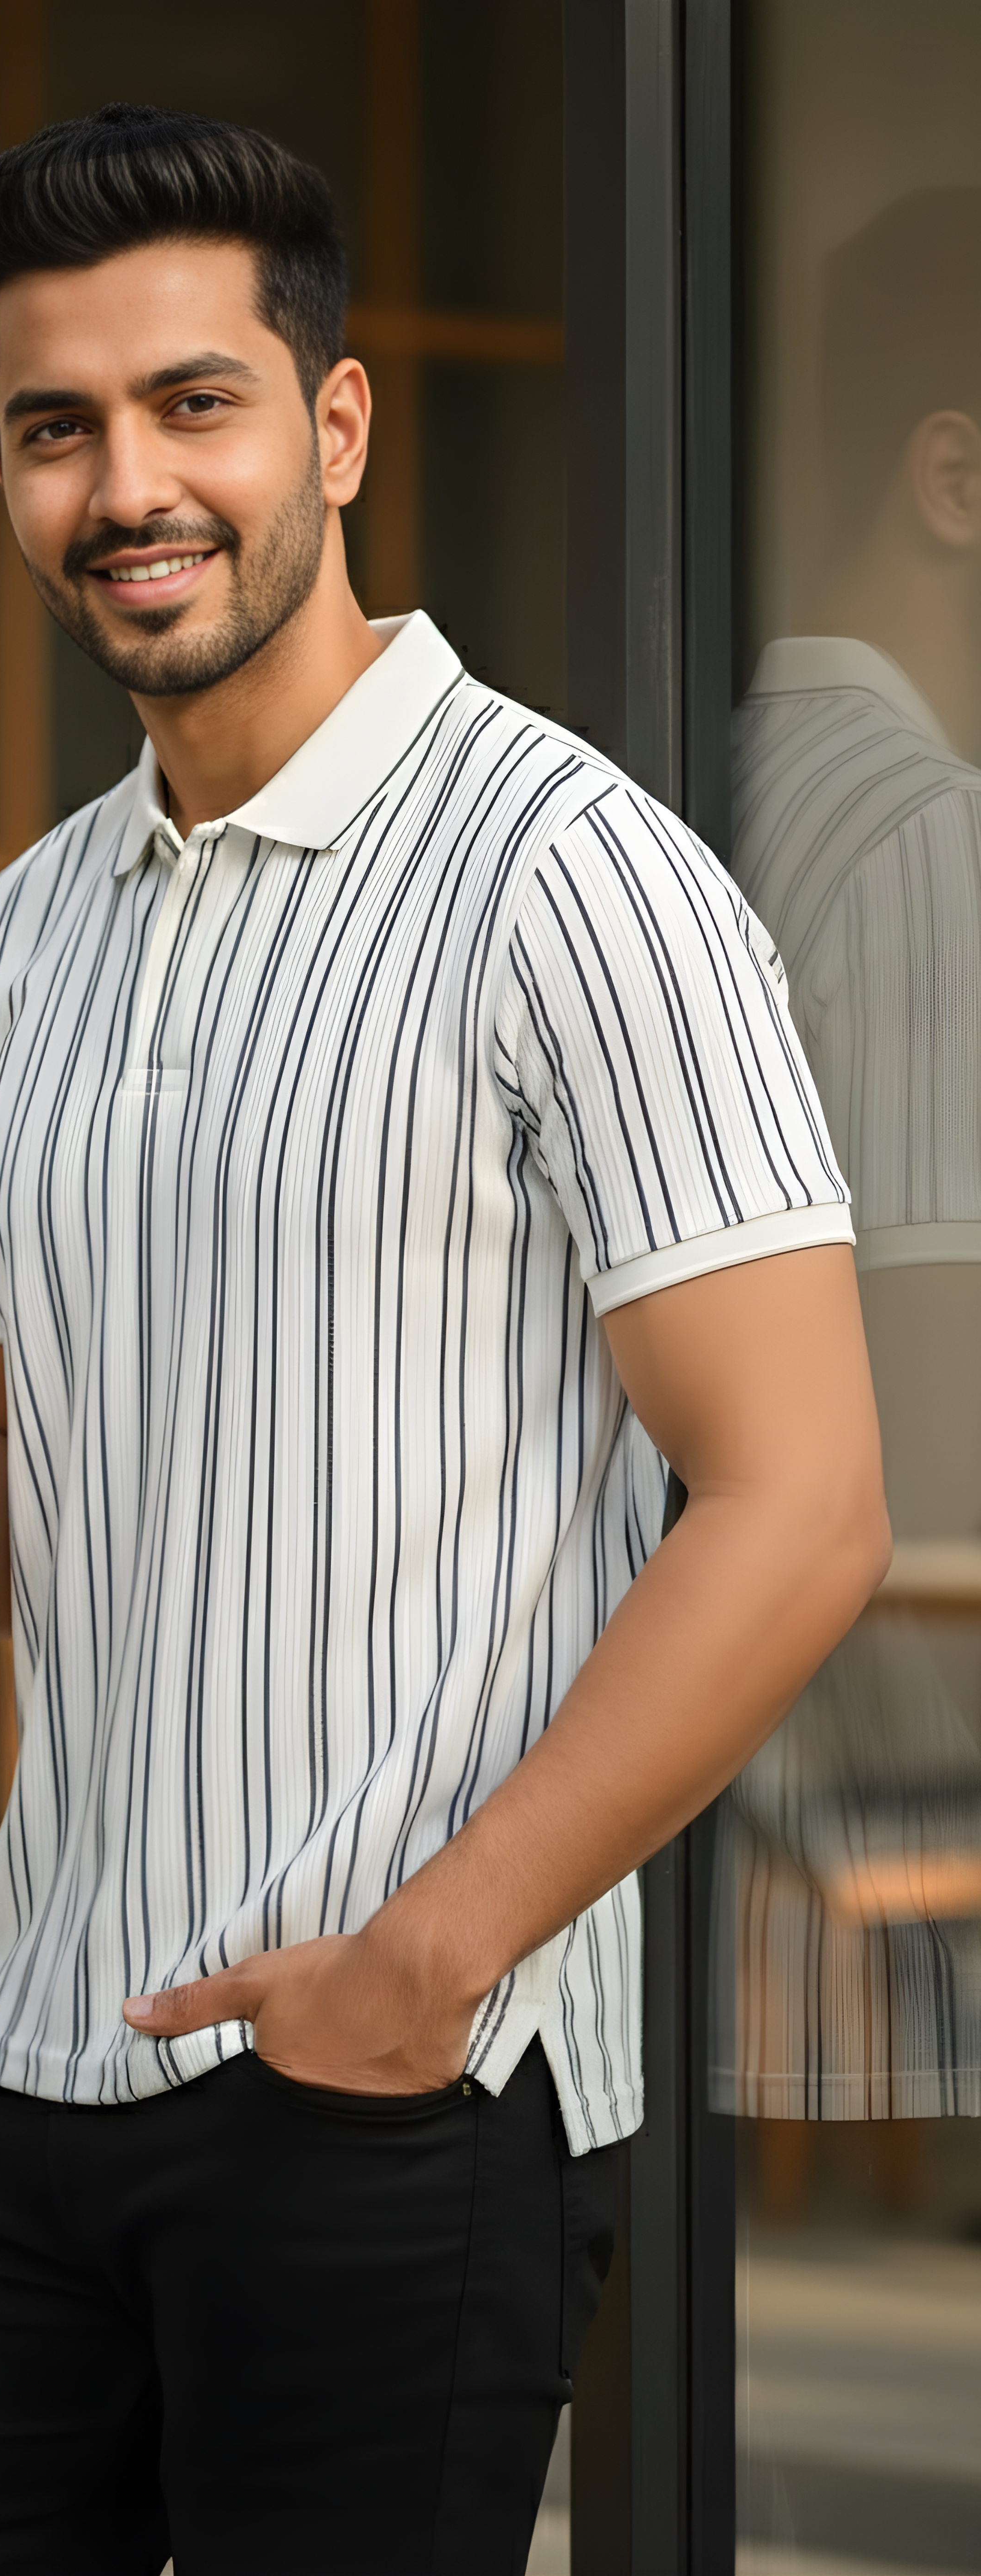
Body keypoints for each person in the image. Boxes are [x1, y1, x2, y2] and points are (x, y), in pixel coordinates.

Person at [0, 104, 888, 2576]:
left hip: (386, 2087)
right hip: (22, 2059)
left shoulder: (578, 879)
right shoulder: (18, 935)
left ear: (333, 429)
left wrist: (426, 1967)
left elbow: (805, 1507)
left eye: (195, 403)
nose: (129, 484)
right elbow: (36, 1528)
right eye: (57, 427)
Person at [722, 191, 981, 2140]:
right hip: (879, 1813)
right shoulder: (921, 837)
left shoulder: (711, 775)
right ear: (953, 477)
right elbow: (934, 1397)